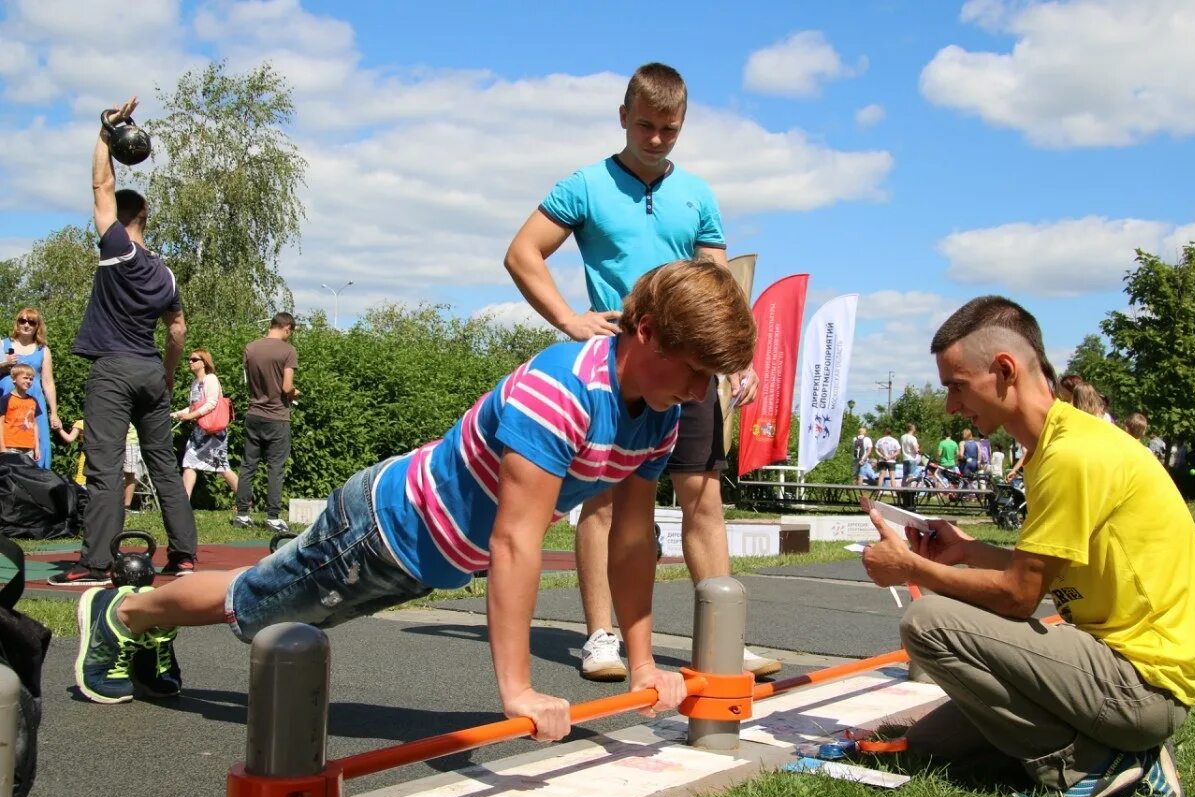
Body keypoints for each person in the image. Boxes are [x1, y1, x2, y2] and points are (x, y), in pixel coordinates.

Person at [74, 259, 753, 742]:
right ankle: (122, 610)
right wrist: (516, 691)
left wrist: (642, 664)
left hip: (423, 556)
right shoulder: (563, 392)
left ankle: (146, 622)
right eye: (694, 369)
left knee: (259, 609)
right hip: (379, 529)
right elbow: (516, 540)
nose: (700, 392)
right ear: (645, 334)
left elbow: (632, 541)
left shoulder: (659, 413)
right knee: (251, 606)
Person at [862, 295, 1195, 797]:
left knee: (928, 622)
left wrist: (911, 567)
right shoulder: (1061, 445)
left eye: (956, 387)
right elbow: (1046, 572)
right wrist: (966, 551)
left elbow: (1021, 597)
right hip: (1124, 671)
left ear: (1004, 370)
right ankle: (1116, 751)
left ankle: (1096, 767)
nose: (951, 406)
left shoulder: (1070, 455)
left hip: (1140, 687)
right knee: (933, 747)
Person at [504, 62, 775, 680]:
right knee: (607, 505)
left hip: (693, 368)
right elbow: (522, 253)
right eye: (646, 126)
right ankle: (601, 636)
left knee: (704, 502)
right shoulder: (586, 185)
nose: (656, 139)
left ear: (683, 125)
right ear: (623, 116)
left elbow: (719, 286)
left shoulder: (698, 194)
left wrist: (740, 362)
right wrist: (570, 319)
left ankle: (722, 635)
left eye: (669, 129)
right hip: (622, 366)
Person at [52, 96, 199, 586]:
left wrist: (105, 133)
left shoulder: (117, 249)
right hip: (150, 373)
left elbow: (101, 183)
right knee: (163, 466)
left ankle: (95, 562)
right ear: (148, 216)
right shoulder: (165, 273)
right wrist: (169, 375)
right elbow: (177, 331)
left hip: (114, 371)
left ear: (123, 216)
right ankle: (184, 557)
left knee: (105, 468)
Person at [231, 313, 298, 534]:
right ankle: (273, 517)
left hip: (254, 413)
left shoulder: (251, 348)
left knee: (248, 465)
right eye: (291, 332)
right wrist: (296, 392)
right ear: (287, 327)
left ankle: (242, 515)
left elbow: (249, 381)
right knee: (275, 468)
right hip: (277, 417)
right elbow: (286, 387)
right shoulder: (288, 351)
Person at [173, 349, 239, 500]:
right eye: (189, 359)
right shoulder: (195, 383)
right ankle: (184, 502)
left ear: (204, 362)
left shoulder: (210, 379)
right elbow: (193, 407)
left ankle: (245, 501)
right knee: (189, 463)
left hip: (213, 432)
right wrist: (176, 414)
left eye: (194, 359)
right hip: (200, 430)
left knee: (223, 468)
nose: (190, 362)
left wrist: (190, 416)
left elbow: (211, 404)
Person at [1, 308, 60, 468]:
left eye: (31, 322)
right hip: (6, 403)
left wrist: (53, 412)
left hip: (33, 407)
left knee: (37, 444)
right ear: (17, 323)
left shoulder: (43, 350)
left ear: (37, 326)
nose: (26, 325)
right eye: (22, 320)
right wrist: (4, 363)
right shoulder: (3, 344)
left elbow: (48, 382)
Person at [0, 364, 42, 462]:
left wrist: (36, 447)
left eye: (31, 379)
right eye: (25, 378)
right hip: (10, 446)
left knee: (26, 476)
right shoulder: (6, 399)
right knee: (11, 475)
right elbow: (0, 424)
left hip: (28, 448)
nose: (28, 381)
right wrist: (2, 447)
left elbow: (34, 425)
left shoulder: (33, 401)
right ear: (14, 379)